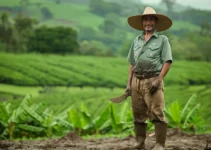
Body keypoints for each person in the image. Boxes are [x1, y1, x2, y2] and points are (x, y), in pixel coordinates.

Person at [126, 7, 173, 150]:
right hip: (136, 81)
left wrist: (159, 79)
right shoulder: (137, 40)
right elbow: (132, 63)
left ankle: (159, 145)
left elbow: (167, 61)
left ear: (155, 22)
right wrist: (129, 83)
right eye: (145, 19)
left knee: (156, 113)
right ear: (142, 22)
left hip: (153, 81)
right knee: (138, 114)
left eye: (151, 19)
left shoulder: (162, 40)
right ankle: (140, 143)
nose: (148, 22)